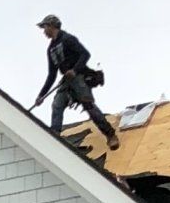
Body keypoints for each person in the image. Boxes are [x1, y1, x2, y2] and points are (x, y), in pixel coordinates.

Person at [33, 16, 120, 148]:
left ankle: (110, 134)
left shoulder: (68, 39)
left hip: (79, 77)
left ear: (51, 26)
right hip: (66, 82)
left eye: (44, 27)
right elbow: (52, 74)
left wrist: (74, 70)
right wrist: (41, 95)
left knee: (89, 106)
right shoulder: (51, 49)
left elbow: (85, 54)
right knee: (57, 105)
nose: (43, 31)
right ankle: (55, 136)